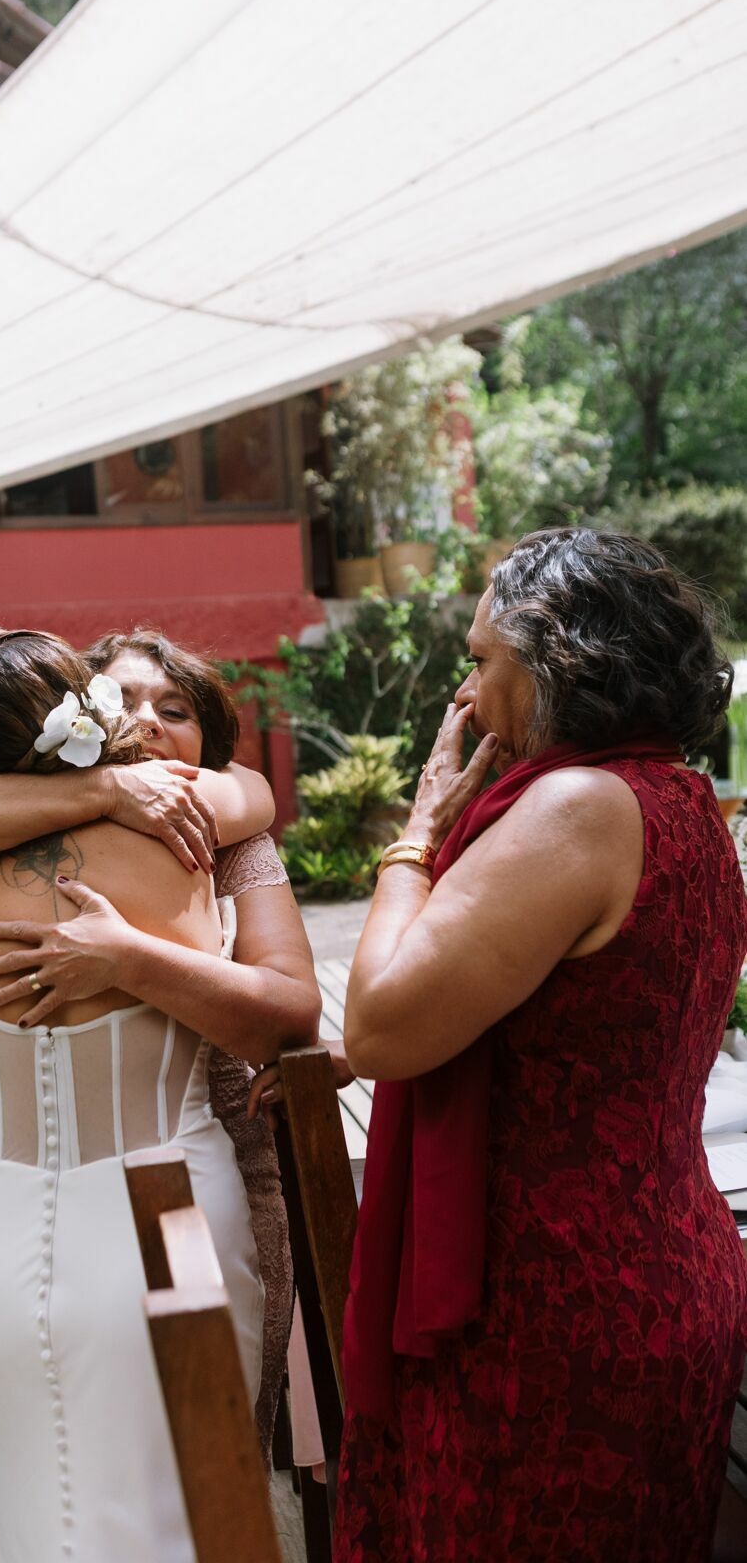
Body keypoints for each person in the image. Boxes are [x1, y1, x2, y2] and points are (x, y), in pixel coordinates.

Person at [333, 528, 747, 1563]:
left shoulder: (574, 808)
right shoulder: (680, 800)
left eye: (479, 661)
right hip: (652, 1261)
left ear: (557, 657)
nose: (463, 698)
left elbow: (379, 1023)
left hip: (545, 1312)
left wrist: (416, 831)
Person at [0, 627, 313, 1563]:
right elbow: (250, 797)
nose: (143, 724)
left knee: (26, 1510)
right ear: (88, 720)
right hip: (166, 1200)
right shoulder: (189, 833)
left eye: (170, 709)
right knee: (202, 1496)